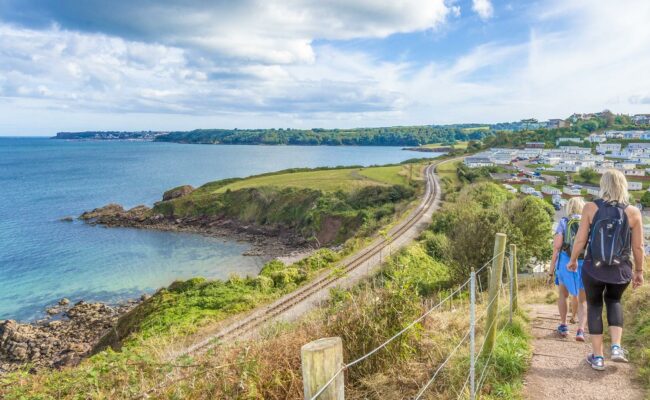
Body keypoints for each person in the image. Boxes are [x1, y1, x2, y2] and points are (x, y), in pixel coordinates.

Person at [567, 169, 645, 371]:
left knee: (594, 305)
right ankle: (617, 348)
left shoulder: (591, 208)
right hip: (621, 271)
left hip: (593, 268)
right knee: (614, 301)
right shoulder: (633, 212)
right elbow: (638, 247)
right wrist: (639, 271)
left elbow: (581, 239)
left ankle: (598, 357)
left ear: (603, 185)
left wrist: (573, 260)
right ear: (624, 186)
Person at [549, 197, 587, 341]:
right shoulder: (587, 222)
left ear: (569, 208)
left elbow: (557, 247)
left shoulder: (564, 222)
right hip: (584, 263)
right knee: (583, 300)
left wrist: (551, 270)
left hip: (566, 262)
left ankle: (564, 325)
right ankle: (581, 330)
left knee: (563, 295)